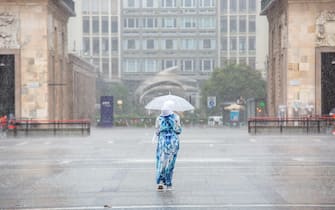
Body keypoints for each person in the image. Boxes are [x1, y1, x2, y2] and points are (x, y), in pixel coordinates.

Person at [154, 101, 182, 191]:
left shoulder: (159, 118)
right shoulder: (176, 117)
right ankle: (168, 183)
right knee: (170, 163)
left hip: (162, 143)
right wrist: (175, 124)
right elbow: (179, 131)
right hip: (173, 143)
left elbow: (157, 132)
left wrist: (162, 130)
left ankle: (161, 182)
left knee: (162, 163)